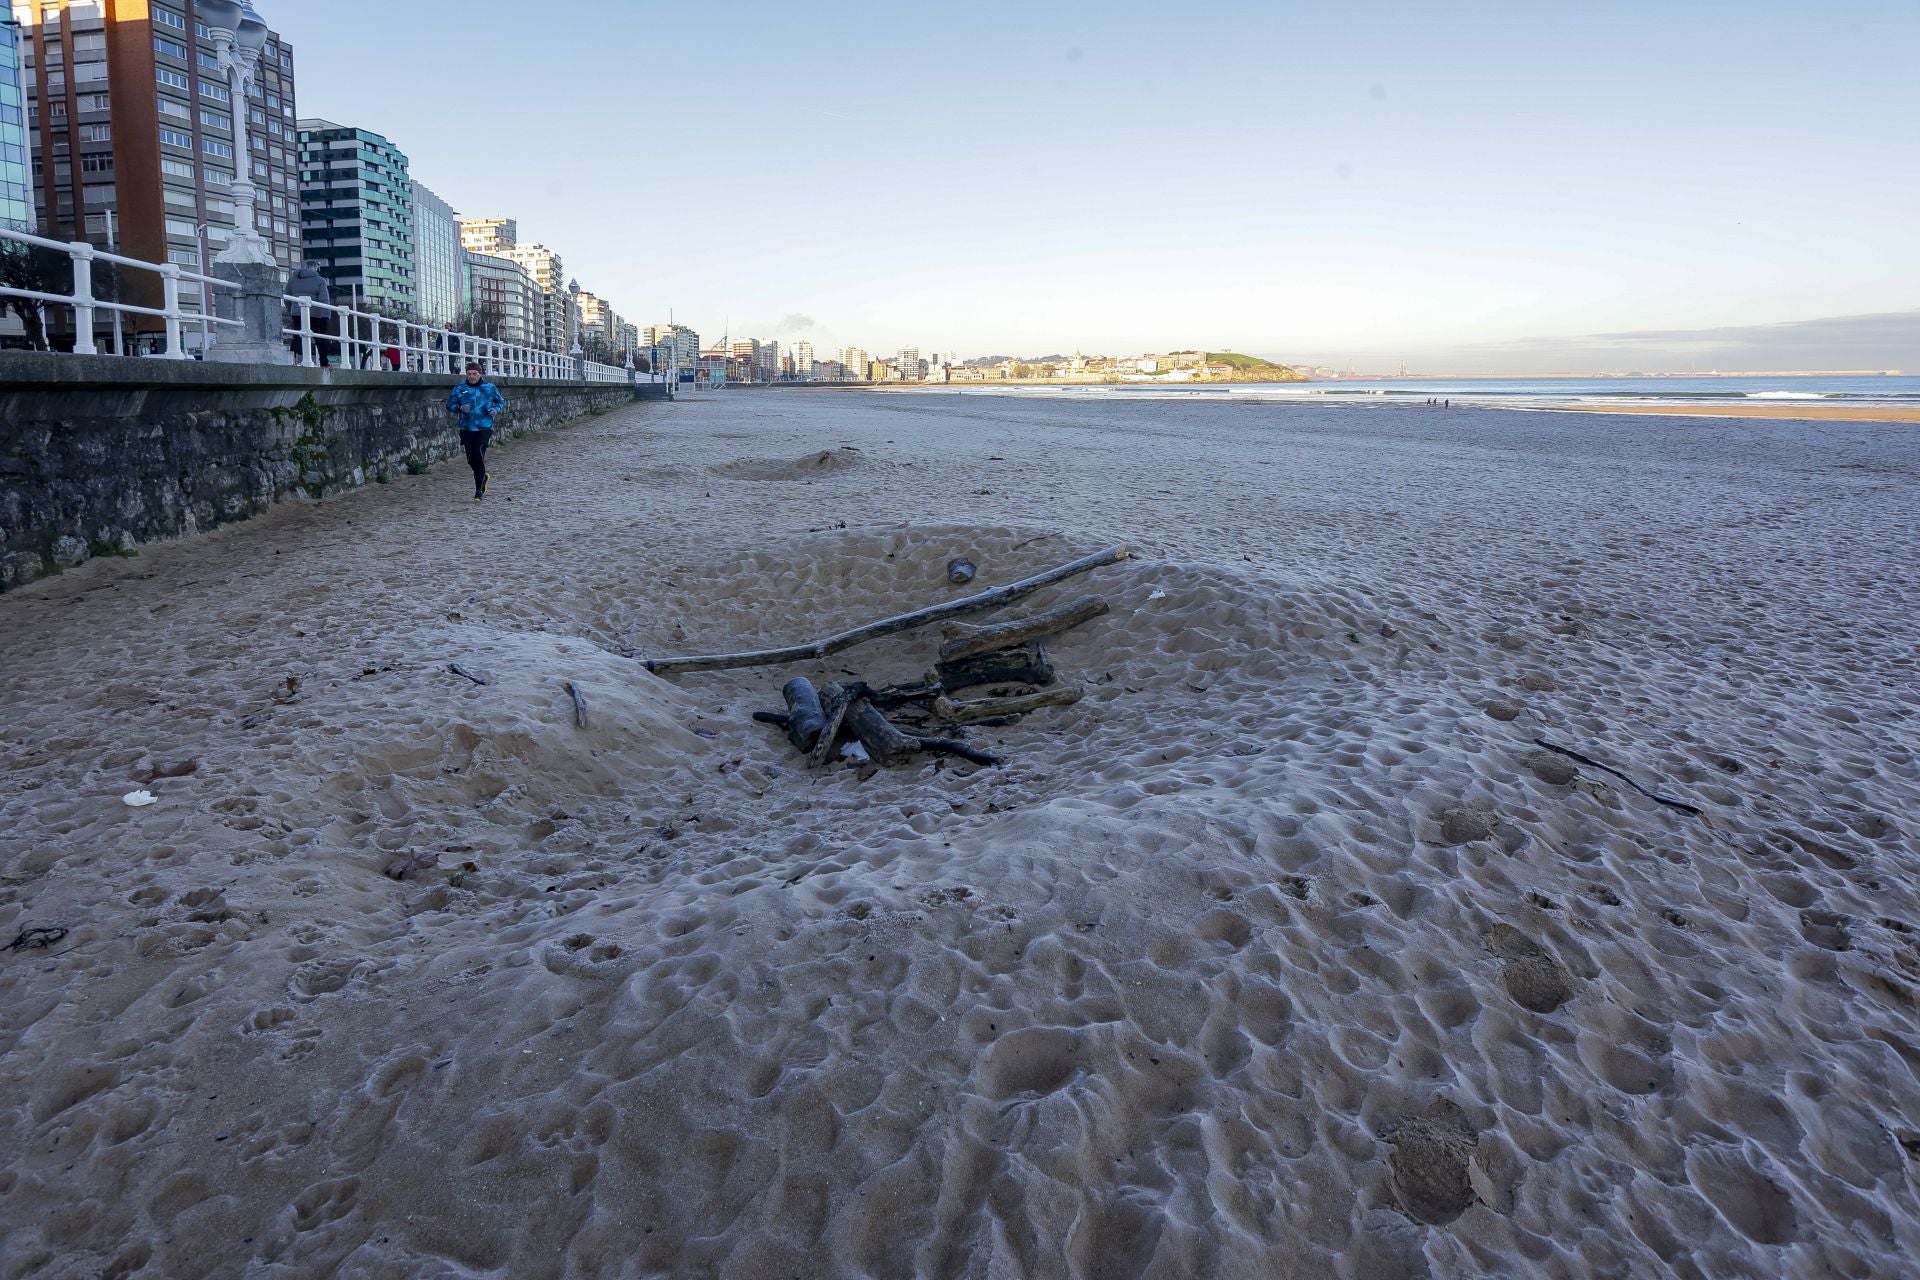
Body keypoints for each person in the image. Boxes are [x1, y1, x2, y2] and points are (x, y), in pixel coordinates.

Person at [447, 363, 505, 500]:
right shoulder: (460, 389)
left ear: (480, 374)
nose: (472, 376)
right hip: (466, 428)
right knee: (471, 460)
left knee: (477, 455)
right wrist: (460, 408)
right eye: (469, 374)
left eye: (474, 373)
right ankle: (483, 477)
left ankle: (478, 491)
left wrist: (495, 410)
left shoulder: (490, 388)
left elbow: (501, 401)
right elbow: (450, 404)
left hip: (484, 427)